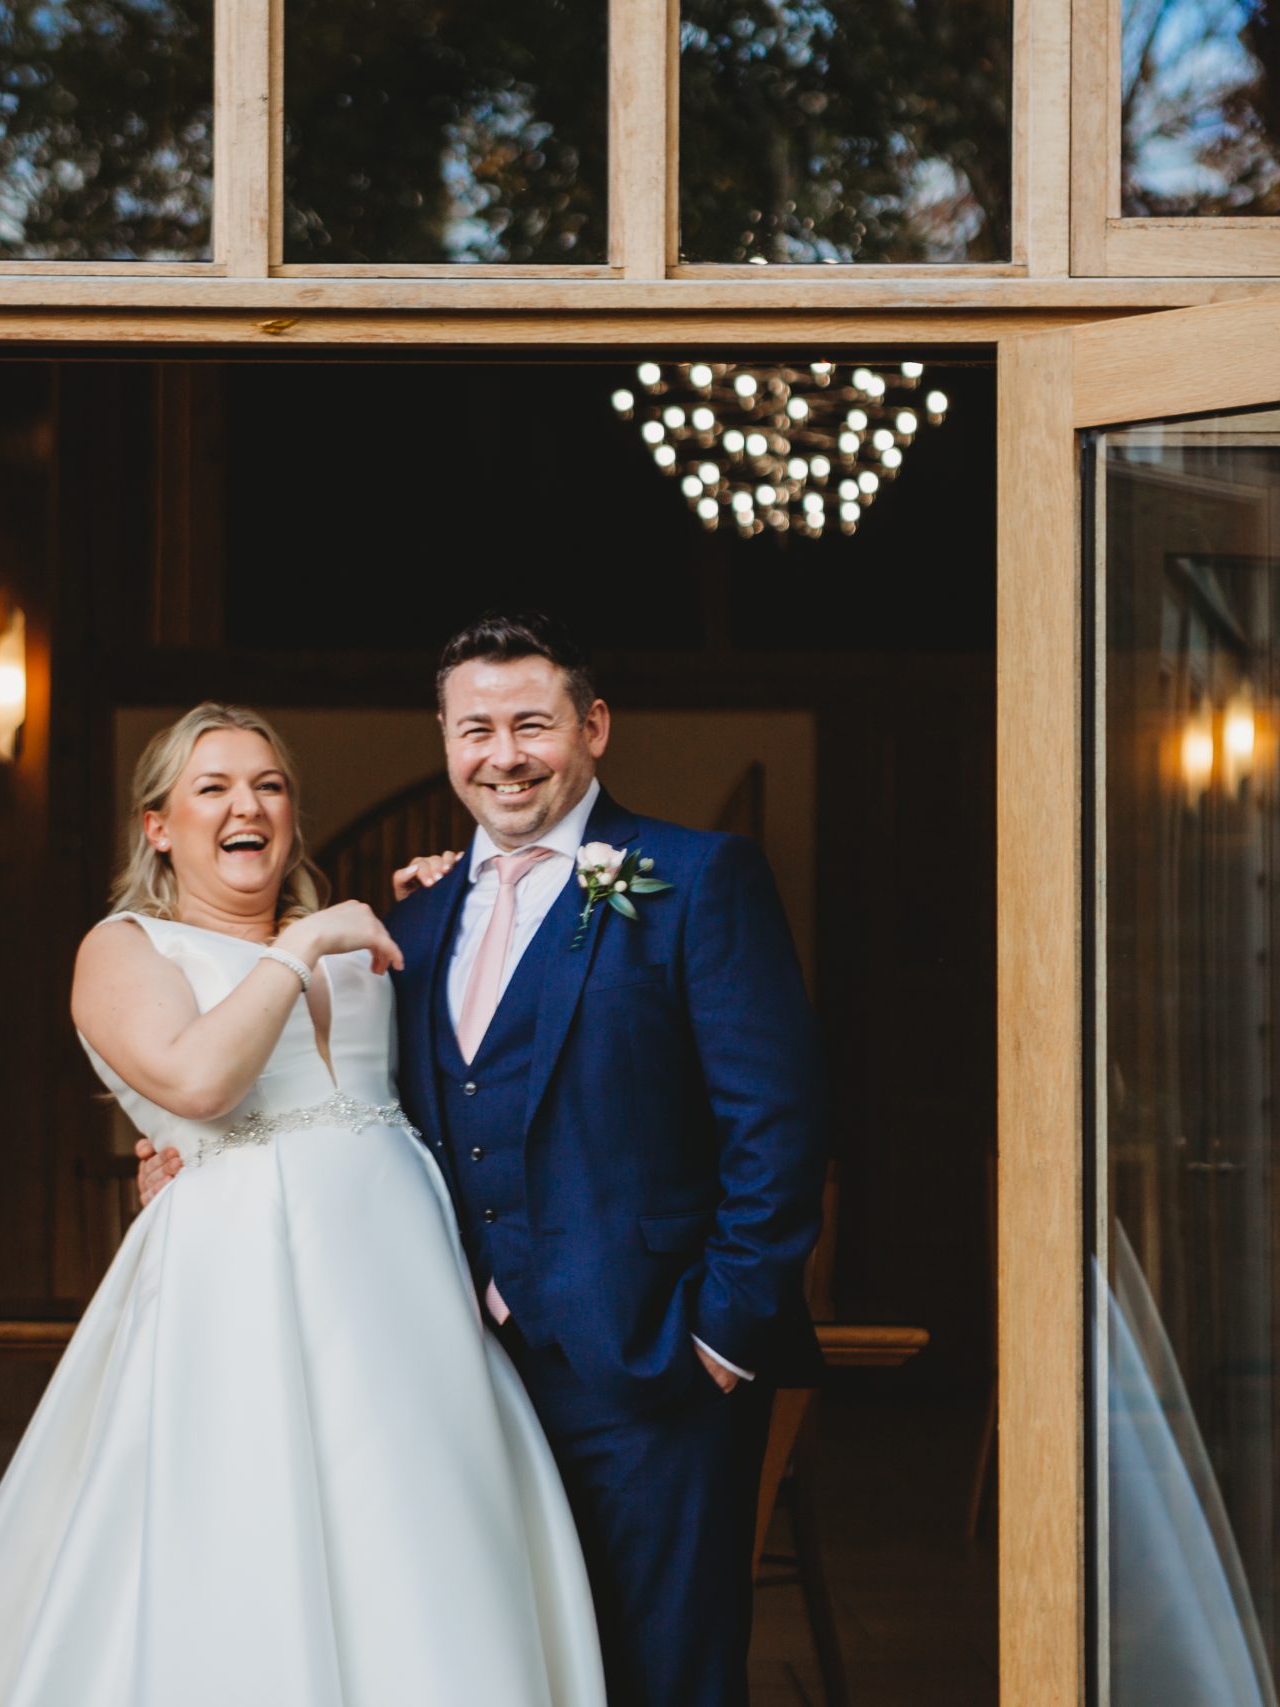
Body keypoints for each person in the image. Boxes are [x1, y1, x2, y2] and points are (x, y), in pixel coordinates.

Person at [141, 614, 828, 1707]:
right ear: (445, 741)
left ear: (593, 728)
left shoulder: (698, 878)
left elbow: (777, 1121)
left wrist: (719, 1337)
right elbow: (357, 1109)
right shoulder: (410, 927)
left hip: (655, 1365)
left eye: (531, 725)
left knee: (667, 1677)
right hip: (461, 1376)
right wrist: (197, 1159)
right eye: (475, 729)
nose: (503, 755)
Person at [0, 702, 606, 1707]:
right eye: (214, 787)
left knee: (417, 1529)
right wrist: (301, 944)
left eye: (270, 786)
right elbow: (197, 1081)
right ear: (157, 825)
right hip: (240, 1282)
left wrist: (457, 911)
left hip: (403, 1287)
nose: (249, 806)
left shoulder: (363, 942)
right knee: (248, 1520)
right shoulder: (126, 947)